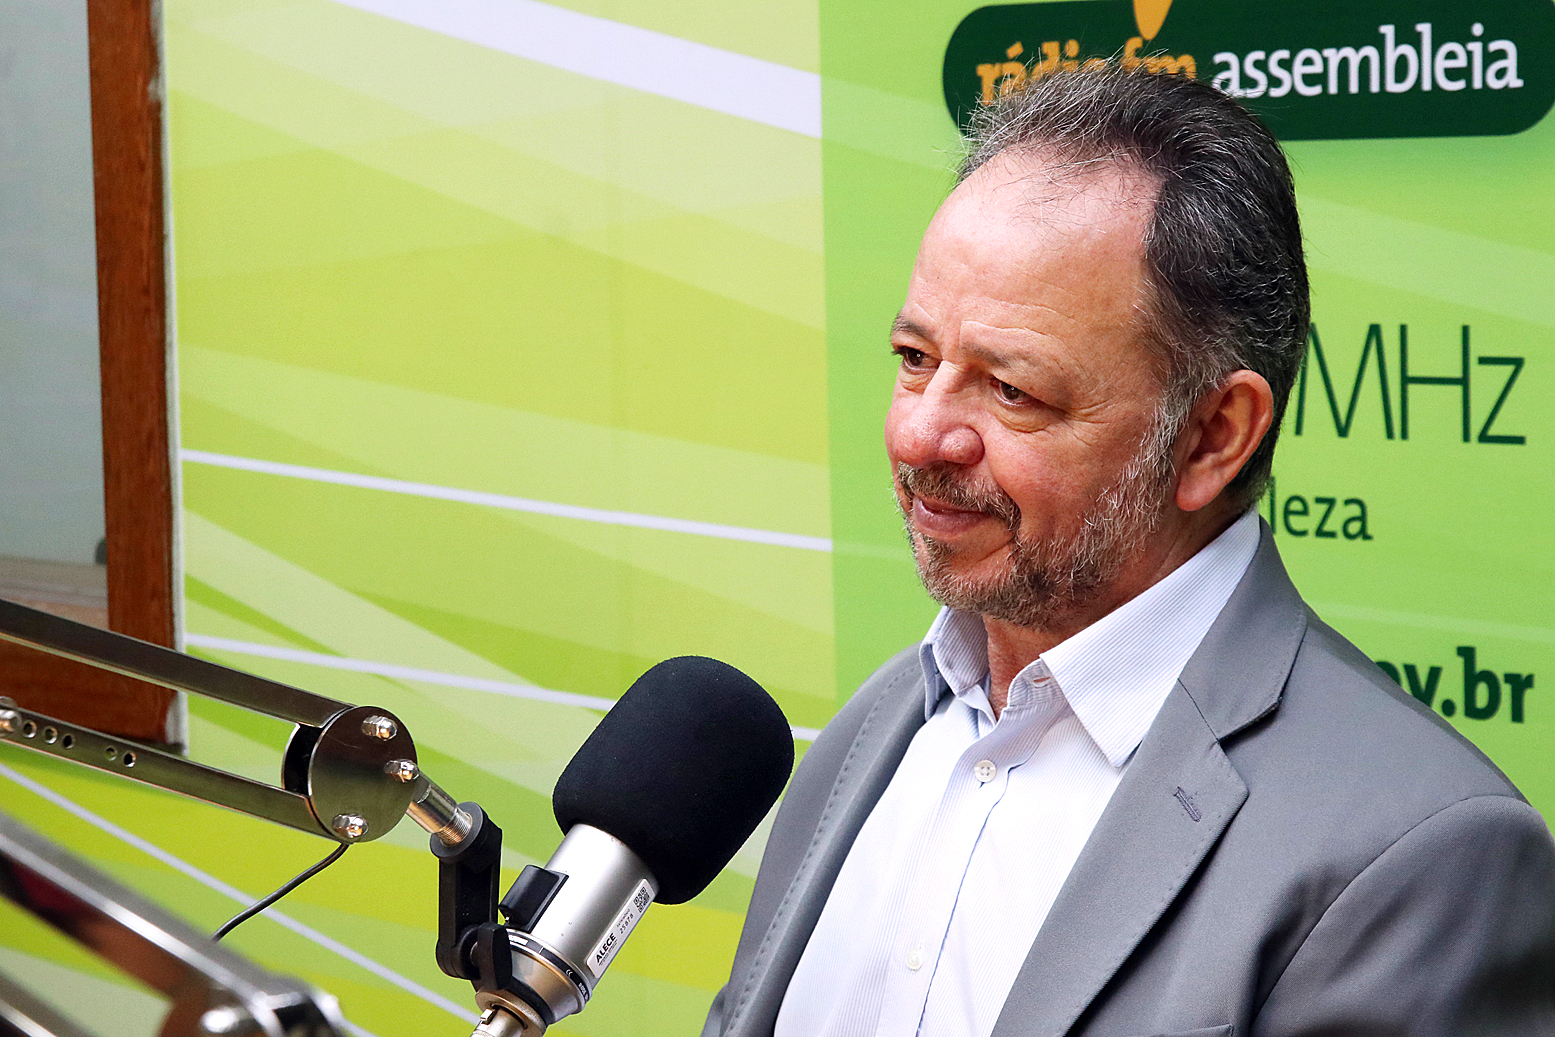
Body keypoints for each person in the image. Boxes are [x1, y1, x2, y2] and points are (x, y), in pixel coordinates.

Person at [701, 67, 1555, 1037]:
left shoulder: (1418, 854)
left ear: (1212, 436)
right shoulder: (878, 725)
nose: (918, 433)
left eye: (1012, 390)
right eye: (915, 359)